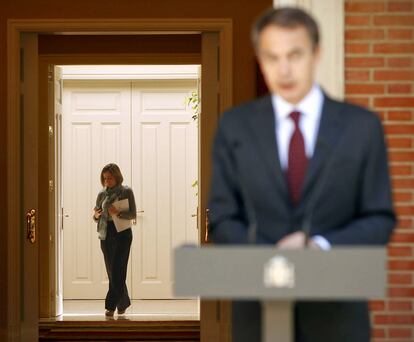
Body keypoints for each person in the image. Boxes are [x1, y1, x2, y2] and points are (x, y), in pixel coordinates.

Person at [207, 6, 395, 342]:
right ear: (260, 60)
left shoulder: (362, 127)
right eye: (271, 57)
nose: (284, 69)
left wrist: (318, 247)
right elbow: (222, 218)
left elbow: (379, 218)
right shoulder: (234, 126)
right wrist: (271, 256)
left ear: (316, 54)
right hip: (258, 316)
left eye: (294, 54)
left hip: (338, 315)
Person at [93, 163, 136, 317]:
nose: (106, 181)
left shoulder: (126, 191)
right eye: (104, 178)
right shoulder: (101, 195)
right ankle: (123, 303)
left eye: (109, 178)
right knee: (112, 271)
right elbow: (95, 217)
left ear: (117, 177)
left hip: (122, 233)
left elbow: (133, 214)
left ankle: (110, 305)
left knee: (119, 268)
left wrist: (117, 213)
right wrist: (97, 215)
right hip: (106, 234)